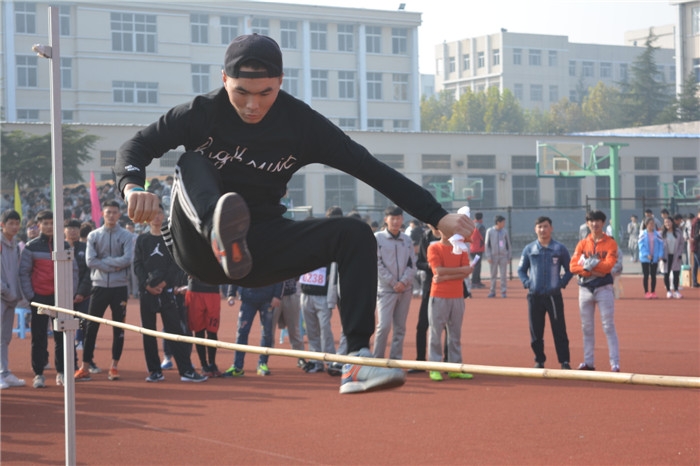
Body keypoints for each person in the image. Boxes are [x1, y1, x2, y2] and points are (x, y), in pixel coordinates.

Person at [114, 33, 474, 394]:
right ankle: (218, 229)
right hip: (197, 248)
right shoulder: (200, 113)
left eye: (265, 93)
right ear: (224, 79)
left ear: (280, 82)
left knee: (354, 234)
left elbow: (370, 168)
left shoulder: (301, 124)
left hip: (257, 249)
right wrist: (132, 187)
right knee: (192, 160)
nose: (252, 105)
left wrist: (436, 216)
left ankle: (355, 361)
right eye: (241, 92)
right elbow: (136, 145)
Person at [133, 204, 206, 383]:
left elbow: (176, 264)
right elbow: (137, 265)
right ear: (147, 217)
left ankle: (186, 371)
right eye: (154, 213)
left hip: (167, 293)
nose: (157, 217)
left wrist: (164, 283)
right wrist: (147, 285)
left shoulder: (170, 238)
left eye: (160, 213)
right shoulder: (142, 240)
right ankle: (155, 371)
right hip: (147, 293)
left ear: (164, 215)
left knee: (175, 332)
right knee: (149, 334)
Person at [74, 200, 134, 382]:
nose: (111, 215)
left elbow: (128, 259)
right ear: (102, 214)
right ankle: (85, 366)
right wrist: (113, 264)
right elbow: (90, 261)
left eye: (115, 212)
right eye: (108, 212)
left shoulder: (126, 236)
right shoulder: (93, 235)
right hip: (98, 286)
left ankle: (114, 366)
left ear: (119, 214)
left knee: (119, 328)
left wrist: (104, 262)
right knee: (91, 327)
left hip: (119, 287)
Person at [19, 210, 78, 388]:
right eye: (45, 223)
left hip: (60, 299)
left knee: (61, 336)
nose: (49, 226)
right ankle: (39, 373)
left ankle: (62, 372)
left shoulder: (65, 246)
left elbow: (73, 272)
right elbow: (24, 273)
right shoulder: (31, 247)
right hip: (39, 298)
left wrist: (69, 294)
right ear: (39, 225)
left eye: (52, 223)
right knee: (38, 337)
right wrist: (31, 296)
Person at [517, 216, 573, 370]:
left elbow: (570, 269)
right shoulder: (529, 249)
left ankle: (564, 361)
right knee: (536, 330)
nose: (543, 230)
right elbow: (521, 270)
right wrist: (527, 283)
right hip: (534, 296)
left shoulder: (559, 248)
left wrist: (561, 283)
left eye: (546, 226)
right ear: (535, 229)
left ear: (551, 228)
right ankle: (539, 360)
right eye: (540, 227)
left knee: (559, 329)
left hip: (553, 296)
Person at [570, 210, 620, 373]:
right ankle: (588, 361)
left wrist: (589, 265)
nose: (594, 224)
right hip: (585, 289)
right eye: (591, 221)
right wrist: (589, 271)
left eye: (598, 221)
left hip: (604, 288)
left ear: (603, 223)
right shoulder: (582, 243)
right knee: (586, 327)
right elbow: (573, 267)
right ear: (587, 223)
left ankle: (615, 363)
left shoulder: (610, 243)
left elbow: (608, 267)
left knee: (608, 325)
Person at [425, 225, 473, 381]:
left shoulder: (461, 249)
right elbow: (438, 271)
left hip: (457, 295)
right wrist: (459, 271)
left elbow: (466, 271)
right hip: (439, 295)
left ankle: (455, 367)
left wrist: (446, 276)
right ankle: (434, 367)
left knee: (455, 334)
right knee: (435, 333)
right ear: (439, 231)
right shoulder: (434, 248)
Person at [372, 206, 416, 361]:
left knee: (400, 328)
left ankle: (396, 360)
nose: (396, 222)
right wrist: (392, 282)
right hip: (386, 290)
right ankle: (377, 360)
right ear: (386, 219)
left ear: (402, 219)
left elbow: (412, 263)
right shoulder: (378, 238)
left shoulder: (407, 239)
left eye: (398, 218)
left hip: (405, 290)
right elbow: (376, 263)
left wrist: (403, 282)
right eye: (393, 218)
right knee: (383, 326)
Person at [224, 282, 282, 377]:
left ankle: (262, 363)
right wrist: (231, 293)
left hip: (267, 300)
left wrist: (277, 295)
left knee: (267, 333)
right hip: (247, 299)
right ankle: (237, 367)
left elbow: (278, 277)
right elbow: (235, 274)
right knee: (242, 332)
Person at [1, 210, 26, 389]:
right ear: (2, 224)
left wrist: (17, 294)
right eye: (11, 223)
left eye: (17, 223)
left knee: (5, 337)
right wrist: (6, 291)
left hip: (11, 297)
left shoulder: (15, 245)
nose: (15, 227)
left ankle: (4, 372)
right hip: (3, 295)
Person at [410, 226, 439, 373]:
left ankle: (449, 362)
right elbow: (419, 262)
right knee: (422, 325)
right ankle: (420, 361)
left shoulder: (451, 237)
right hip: (429, 287)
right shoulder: (426, 237)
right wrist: (430, 265)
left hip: (448, 288)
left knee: (447, 327)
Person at [299, 261, 338, 373]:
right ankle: (316, 361)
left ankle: (331, 360)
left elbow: (333, 265)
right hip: (306, 294)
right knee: (311, 330)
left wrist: (330, 274)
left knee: (325, 328)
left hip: (323, 295)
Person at [187, 276, 223, 377]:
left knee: (212, 331)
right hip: (195, 291)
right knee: (199, 330)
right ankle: (203, 365)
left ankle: (212, 363)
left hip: (213, 291)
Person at [65, 219, 92, 352]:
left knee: (83, 322)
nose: (73, 231)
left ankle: (81, 341)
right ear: (64, 230)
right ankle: (67, 349)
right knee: (65, 324)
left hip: (83, 295)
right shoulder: (59, 247)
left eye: (75, 228)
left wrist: (81, 292)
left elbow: (89, 271)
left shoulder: (86, 248)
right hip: (64, 295)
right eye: (69, 228)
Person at [273, 277, 306, 371]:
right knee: (268, 330)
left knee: (294, 329)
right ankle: (263, 361)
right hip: (272, 296)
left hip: (291, 293)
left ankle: (300, 358)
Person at [484, 215, 511, 298]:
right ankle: (492, 291)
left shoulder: (505, 232)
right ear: (498, 222)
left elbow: (508, 244)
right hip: (493, 256)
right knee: (493, 275)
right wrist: (488, 256)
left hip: (503, 256)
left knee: (503, 275)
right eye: (503, 222)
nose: (504, 224)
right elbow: (487, 245)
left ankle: (503, 291)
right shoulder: (490, 231)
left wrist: (509, 256)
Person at [638, 217, 664, 299]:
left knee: (653, 275)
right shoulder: (642, 234)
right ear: (646, 224)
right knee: (646, 275)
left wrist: (660, 255)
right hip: (645, 258)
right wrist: (646, 254)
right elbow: (641, 246)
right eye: (650, 223)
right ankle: (646, 292)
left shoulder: (657, 234)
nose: (652, 225)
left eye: (653, 223)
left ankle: (653, 291)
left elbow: (661, 245)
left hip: (654, 257)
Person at [660, 216, 685, 299]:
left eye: (669, 222)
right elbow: (659, 245)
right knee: (666, 274)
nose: (667, 224)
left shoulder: (678, 232)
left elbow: (681, 243)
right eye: (665, 222)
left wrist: (679, 253)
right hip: (665, 256)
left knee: (676, 273)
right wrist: (661, 256)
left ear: (672, 222)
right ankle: (668, 291)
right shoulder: (661, 233)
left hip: (676, 255)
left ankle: (676, 291)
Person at [469, 212, 486, 288]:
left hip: (472, 248)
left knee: (476, 265)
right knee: (477, 266)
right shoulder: (480, 226)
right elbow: (484, 237)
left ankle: (477, 281)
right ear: (481, 218)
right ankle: (475, 282)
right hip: (478, 249)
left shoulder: (471, 225)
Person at [691, 209, 700, 288]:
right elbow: (697, 235)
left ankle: (694, 281)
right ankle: (694, 281)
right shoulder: (697, 222)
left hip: (695, 245)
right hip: (697, 245)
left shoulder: (695, 221)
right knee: (698, 263)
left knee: (696, 265)